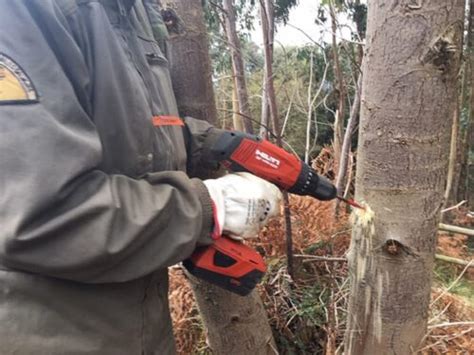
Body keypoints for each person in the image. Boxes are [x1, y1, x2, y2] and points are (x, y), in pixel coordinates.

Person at [0, 1, 282, 354]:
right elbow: (43, 215)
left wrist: (213, 144)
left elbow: (128, 130)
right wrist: (207, 207)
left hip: (141, 329)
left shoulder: (131, 11)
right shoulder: (21, 11)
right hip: (54, 335)